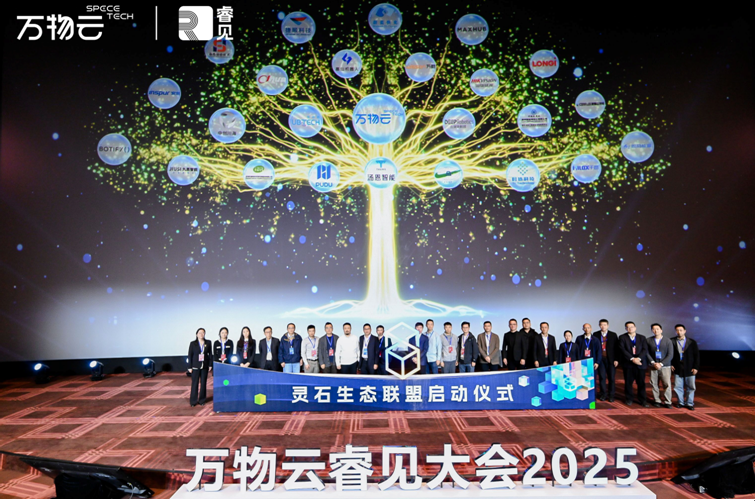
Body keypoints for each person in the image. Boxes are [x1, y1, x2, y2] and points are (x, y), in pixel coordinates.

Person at [619, 321, 650, 407]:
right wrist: (632, 359)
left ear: (635, 328)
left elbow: (645, 349)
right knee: (628, 383)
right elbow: (622, 350)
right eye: (628, 327)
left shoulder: (642, 337)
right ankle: (629, 399)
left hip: (640, 363)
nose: (630, 328)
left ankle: (643, 400)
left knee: (641, 383)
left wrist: (638, 359)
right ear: (626, 328)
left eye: (632, 327)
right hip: (628, 364)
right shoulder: (622, 337)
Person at [671, 324, 700, 410]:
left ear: (685, 331)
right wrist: (671, 364)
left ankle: (689, 403)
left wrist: (696, 367)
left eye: (681, 330)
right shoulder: (672, 341)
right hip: (677, 366)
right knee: (677, 386)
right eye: (677, 330)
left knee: (691, 387)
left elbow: (696, 356)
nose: (679, 332)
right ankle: (680, 402)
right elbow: (669, 354)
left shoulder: (691, 342)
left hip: (689, 366)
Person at [645, 323, 673, 408]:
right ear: (652, 330)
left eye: (657, 329)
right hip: (653, 366)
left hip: (665, 366)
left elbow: (670, 354)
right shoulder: (648, 340)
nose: (655, 330)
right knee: (654, 384)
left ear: (661, 330)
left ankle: (668, 401)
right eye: (653, 329)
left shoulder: (668, 341)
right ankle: (657, 400)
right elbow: (646, 353)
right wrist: (653, 362)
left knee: (666, 384)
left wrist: (661, 364)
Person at [595, 319, 619, 402]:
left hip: (611, 360)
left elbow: (617, 348)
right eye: (601, 325)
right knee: (602, 378)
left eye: (604, 325)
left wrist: (616, 359)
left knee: (611, 378)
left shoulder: (613, 335)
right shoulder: (596, 334)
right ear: (599, 325)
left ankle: (611, 395)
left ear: (608, 325)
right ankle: (603, 394)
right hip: (600, 360)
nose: (603, 326)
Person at [188, 328, 213, 407]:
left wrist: (210, 365)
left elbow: (210, 354)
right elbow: (190, 355)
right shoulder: (193, 343)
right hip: (195, 366)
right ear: (196, 334)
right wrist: (189, 366)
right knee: (194, 384)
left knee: (203, 384)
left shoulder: (208, 342)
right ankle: (193, 401)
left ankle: (202, 400)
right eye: (200, 333)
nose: (201, 334)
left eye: (203, 333)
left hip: (204, 366)